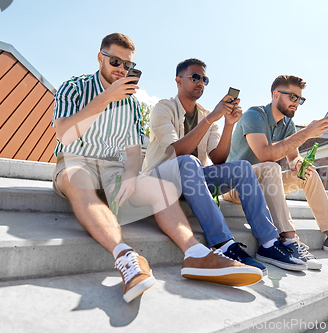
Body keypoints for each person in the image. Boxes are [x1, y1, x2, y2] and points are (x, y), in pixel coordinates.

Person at [51, 34, 263, 303]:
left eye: (128, 65)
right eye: (116, 61)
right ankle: (126, 257)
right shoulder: (75, 86)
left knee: (161, 188)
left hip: (114, 169)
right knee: (77, 178)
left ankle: (196, 254)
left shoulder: (130, 103)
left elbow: (131, 149)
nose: (122, 69)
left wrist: (130, 175)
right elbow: (64, 135)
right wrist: (106, 98)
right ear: (100, 58)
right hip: (76, 160)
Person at [142, 59, 306, 274]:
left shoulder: (205, 114)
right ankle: (223, 244)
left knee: (243, 167)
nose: (200, 82)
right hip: (160, 179)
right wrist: (211, 119)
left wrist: (229, 124)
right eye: (195, 77)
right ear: (178, 80)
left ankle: (268, 242)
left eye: (204, 79)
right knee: (189, 161)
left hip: (193, 182)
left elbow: (218, 159)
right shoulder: (163, 108)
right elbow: (175, 152)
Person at [225, 74, 328, 269]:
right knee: (272, 167)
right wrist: (306, 133)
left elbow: (292, 157)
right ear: (276, 94)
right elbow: (264, 155)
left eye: (300, 99)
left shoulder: (288, 124)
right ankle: (289, 239)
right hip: (236, 186)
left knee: (308, 174)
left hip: (266, 183)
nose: (297, 103)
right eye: (293, 98)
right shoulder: (255, 115)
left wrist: (298, 164)